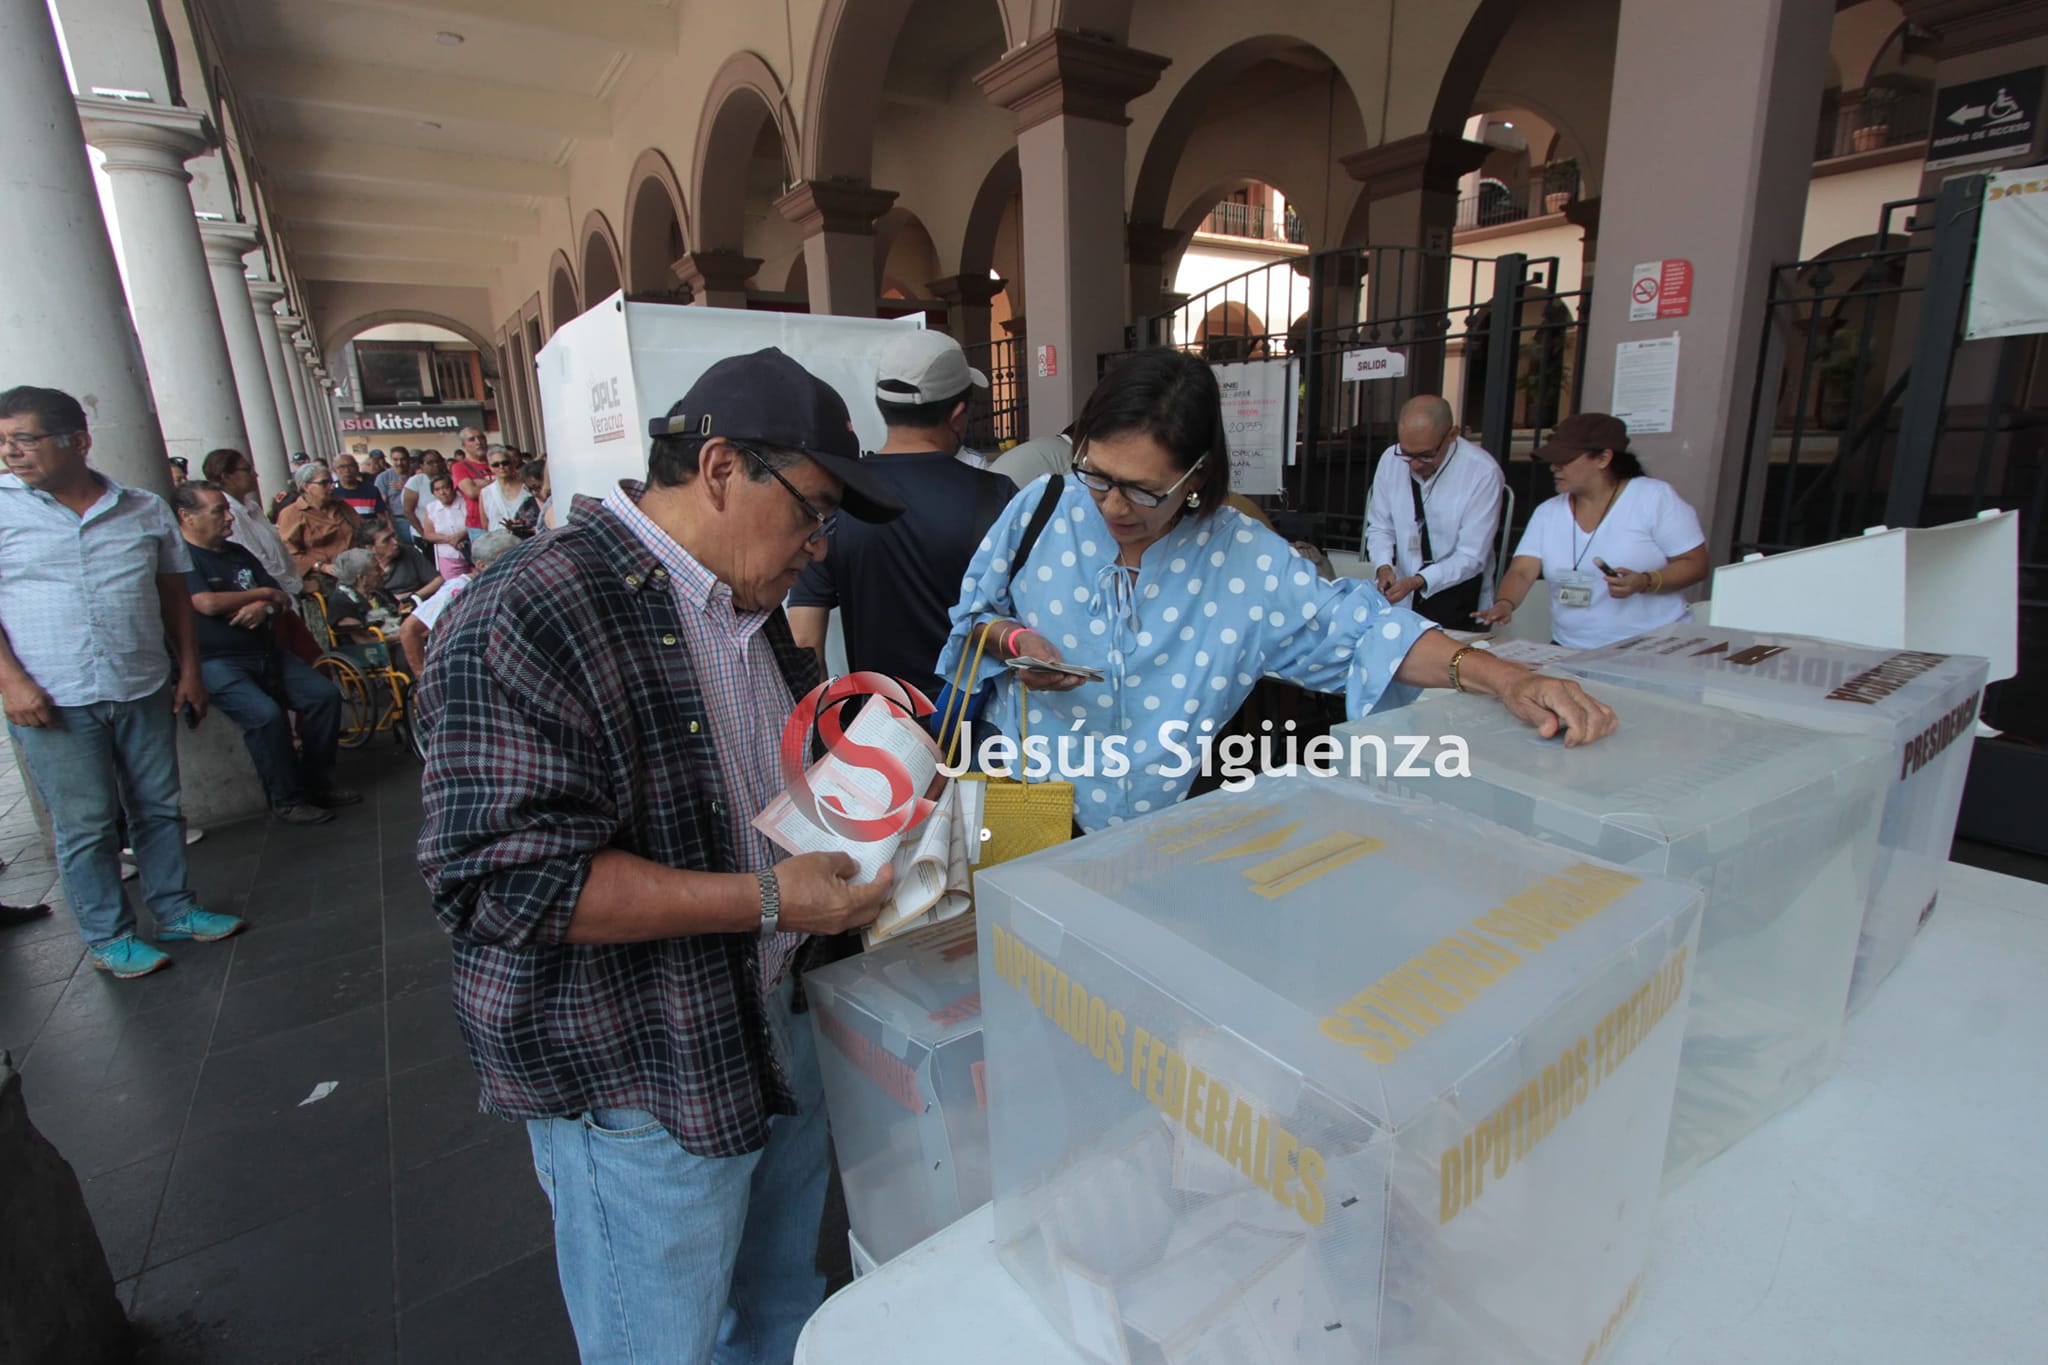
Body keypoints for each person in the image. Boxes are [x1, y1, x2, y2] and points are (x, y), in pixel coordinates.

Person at [416, 347, 907, 1363]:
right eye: (813, 509)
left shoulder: (753, 611)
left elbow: (759, 791)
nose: (818, 546)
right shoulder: (532, 610)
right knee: (660, 1344)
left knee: (783, 1303)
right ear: (720, 467)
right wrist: (772, 900)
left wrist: (877, 805)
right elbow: (509, 884)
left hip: (771, 1024)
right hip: (640, 1070)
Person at [934, 350, 1617, 832]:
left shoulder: (1242, 561)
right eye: (1099, 474)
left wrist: (1500, 677)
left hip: (1152, 825)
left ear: (1197, 477)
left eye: (1145, 489)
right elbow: (975, 620)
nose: (1112, 504)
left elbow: (1362, 632)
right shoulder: (1043, 508)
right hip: (1021, 798)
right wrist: (1016, 642)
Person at [0, 385, 245, 978]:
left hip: (139, 683)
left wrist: (189, 670)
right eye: (4, 442)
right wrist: (10, 682)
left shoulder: (142, 508)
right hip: (52, 695)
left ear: (78, 441)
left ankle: (174, 909)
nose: (12, 453)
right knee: (85, 825)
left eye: (25, 439)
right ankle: (108, 935)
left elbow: (174, 597)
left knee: (160, 809)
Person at [788, 329, 1016, 697]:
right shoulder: (999, 495)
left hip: (881, 729)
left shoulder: (839, 497)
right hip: (975, 728)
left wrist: (823, 735)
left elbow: (804, 638)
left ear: (883, 404)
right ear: (957, 415)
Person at [173, 481, 354, 826]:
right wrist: (261, 595)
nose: (229, 518)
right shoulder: (182, 559)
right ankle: (287, 798)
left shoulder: (238, 553)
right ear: (187, 517)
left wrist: (265, 606)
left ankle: (316, 782)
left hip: (267, 651)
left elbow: (281, 597)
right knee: (266, 716)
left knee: (323, 696)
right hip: (217, 661)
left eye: (228, 509)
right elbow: (207, 603)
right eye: (218, 511)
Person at [1475, 413, 1709, 650]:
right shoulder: (1549, 512)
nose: (1555, 467)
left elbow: (1695, 564)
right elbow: (1523, 571)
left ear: (1603, 458)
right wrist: (1505, 602)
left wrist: (1646, 581)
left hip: (1652, 647)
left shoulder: (1653, 498)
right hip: (1571, 647)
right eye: (1553, 459)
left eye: (1565, 459)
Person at [1364, 395, 1505, 627]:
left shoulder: (1482, 472)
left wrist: (1419, 581)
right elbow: (1380, 526)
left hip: (1457, 589)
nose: (1415, 464)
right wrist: (1383, 565)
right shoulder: (1391, 459)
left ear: (1452, 435)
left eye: (1426, 455)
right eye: (1407, 454)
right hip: (1403, 592)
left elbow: (1471, 555)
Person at [397, 528, 517, 681]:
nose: (515, 565)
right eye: (507, 560)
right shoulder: (458, 589)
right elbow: (408, 630)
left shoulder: (512, 584)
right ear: (482, 565)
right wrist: (423, 679)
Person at [277, 461, 363, 585]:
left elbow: (362, 530)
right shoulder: (293, 514)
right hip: (323, 578)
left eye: (331, 482)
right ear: (306, 486)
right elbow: (289, 552)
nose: (331, 487)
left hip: (356, 570)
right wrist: (321, 567)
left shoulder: (341, 506)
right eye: (324, 483)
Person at [361, 518, 442, 603]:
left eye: (393, 536)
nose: (395, 542)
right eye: (386, 540)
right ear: (370, 548)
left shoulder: (408, 551)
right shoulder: (365, 569)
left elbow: (438, 580)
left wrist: (412, 597)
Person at [417, 472, 471, 581]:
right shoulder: (431, 508)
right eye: (437, 490)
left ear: (452, 488)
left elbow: (477, 524)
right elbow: (428, 534)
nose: (442, 492)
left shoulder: (466, 502)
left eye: (445, 488)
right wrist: (449, 539)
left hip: (473, 551)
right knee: (454, 589)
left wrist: (462, 535)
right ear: (433, 493)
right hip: (448, 557)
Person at [479, 445, 534, 532]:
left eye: (505, 463)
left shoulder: (527, 487)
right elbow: (485, 524)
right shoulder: (486, 492)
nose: (501, 467)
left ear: (512, 464)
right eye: (496, 465)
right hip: (499, 541)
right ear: (490, 467)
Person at [450, 427, 491, 531]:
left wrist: (484, 483)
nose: (478, 442)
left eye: (481, 438)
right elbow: (472, 492)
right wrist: (499, 483)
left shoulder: (497, 462)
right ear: (464, 445)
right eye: (472, 439)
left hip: (503, 519)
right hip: (478, 525)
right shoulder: (459, 467)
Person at [404, 449, 447, 540]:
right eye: (430, 462)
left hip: (450, 534)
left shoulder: (451, 479)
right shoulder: (416, 481)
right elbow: (408, 511)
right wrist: (423, 534)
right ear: (422, 466)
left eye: (438, 461)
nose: (435, 465)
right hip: (424, 534)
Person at [331, 452, 387, 521]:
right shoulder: (331, 491)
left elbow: (382, 517)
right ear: (334, 471)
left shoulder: (371, 490)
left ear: (357, 468)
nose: (347, 470)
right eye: (341, 467)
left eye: (350, 466)